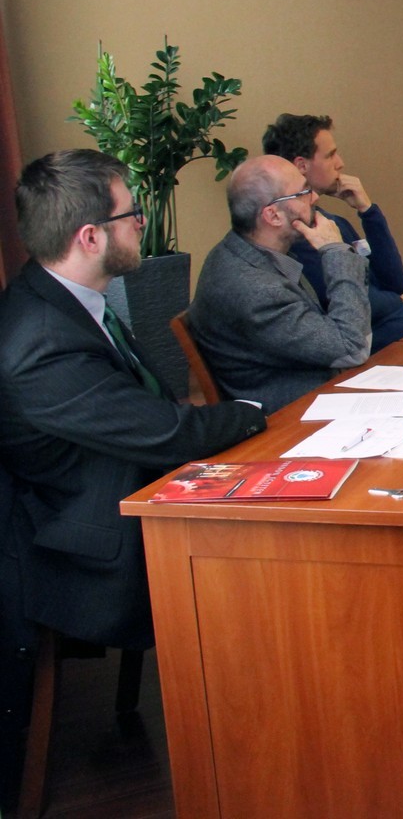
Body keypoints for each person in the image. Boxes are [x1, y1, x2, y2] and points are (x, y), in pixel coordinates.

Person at [0, 150, 266, 652]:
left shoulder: (66, 298)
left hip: (132, 490)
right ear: (90, 237)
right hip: (96, 551)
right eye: (132, 213)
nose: (142, 223)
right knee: (274, 560)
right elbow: (168, 432)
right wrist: (254, 413)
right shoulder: (41, 341)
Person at [188, 155, 372, 414]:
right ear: (273, 215)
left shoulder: (247, 251)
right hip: (292, 416)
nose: (314, 198)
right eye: (303, 193)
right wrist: (336, 251)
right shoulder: (255, 288)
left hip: (318, 392)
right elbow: (352, 348)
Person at [261, 113, 403, 350]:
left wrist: (367, 211)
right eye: (330, 155)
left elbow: (394, 282)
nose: (340, 163)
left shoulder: (332, 222)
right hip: (382, 349)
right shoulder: (300, 235)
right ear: (301, 165)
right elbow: (357, 302)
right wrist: (395, 302)